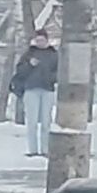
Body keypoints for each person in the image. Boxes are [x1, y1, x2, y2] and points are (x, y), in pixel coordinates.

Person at [10, 29, 58, 157]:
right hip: (31, 89)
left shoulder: (54, 54)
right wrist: (30, 65)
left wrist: (51, 77)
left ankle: (45, 149)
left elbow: (59, 71)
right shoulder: (28, 54)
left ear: (47, 40)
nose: (40, 43)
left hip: (47, 89)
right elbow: (20, 71)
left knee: (46, 121)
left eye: (42, 40)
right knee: (31, 121)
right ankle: (33, 150)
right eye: (38, 40)